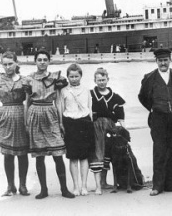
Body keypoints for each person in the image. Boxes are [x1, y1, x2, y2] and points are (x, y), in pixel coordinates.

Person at [23, 49, 75, 199]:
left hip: (50, 112)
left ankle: (64, 189)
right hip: (35, 113)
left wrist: (60, 122)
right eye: (39, 59)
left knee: (58, 154)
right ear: (35, 61)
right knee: (39, 155)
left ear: (49, 61)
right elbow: (27, 102)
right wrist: (27, 122)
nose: (42, 62)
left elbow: (58, 100)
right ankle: (43, 190)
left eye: (45, 59)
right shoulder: (29, 79)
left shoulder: (56, 78)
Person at [138, 48, 172, 196]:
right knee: (159, 150)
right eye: (160, 61)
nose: (163, 63)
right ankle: (157, 186)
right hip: (157, 119)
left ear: (170, 60)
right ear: (156, 61)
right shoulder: (149, 77)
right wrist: (153, 108)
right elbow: (142, 96)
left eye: (165, 60)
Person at [0, 51, 30, 197]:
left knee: (22, 153)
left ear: (16, 63)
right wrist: (4, 113)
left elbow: (28, 101)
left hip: (21, 116)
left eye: (10, 63)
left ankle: (23, 185)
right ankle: (10, 186)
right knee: (8, 154)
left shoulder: (25, 81)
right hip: (5, 119)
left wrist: (25, 117)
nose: (8, 67)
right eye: (5, 64)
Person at [56, 63, 94, 196]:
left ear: (81, 76)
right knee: (73, 157)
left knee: (84, 157)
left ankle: (84, 186)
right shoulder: (63, 91)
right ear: (67, 77)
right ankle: (75, 186)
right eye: (71, 76)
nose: (74, 79)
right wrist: (61, 124)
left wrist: (91, 123)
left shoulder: (86, 89)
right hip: (69, 123)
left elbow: (89, 107)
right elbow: (60, 108)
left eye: (76, 76)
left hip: (84, 122)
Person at [90, 67, 126, 194]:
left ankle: (105, 182)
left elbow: (120, 113)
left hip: (111, 127)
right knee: (98, 152)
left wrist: (122, 127)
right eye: (99, 80)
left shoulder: (114, 96)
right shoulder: (91, 94)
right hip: (96, 127)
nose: (101, 82)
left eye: (103, 79)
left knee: (108, 153)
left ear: (108, 79)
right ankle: (99, 183)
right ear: (95, 80)